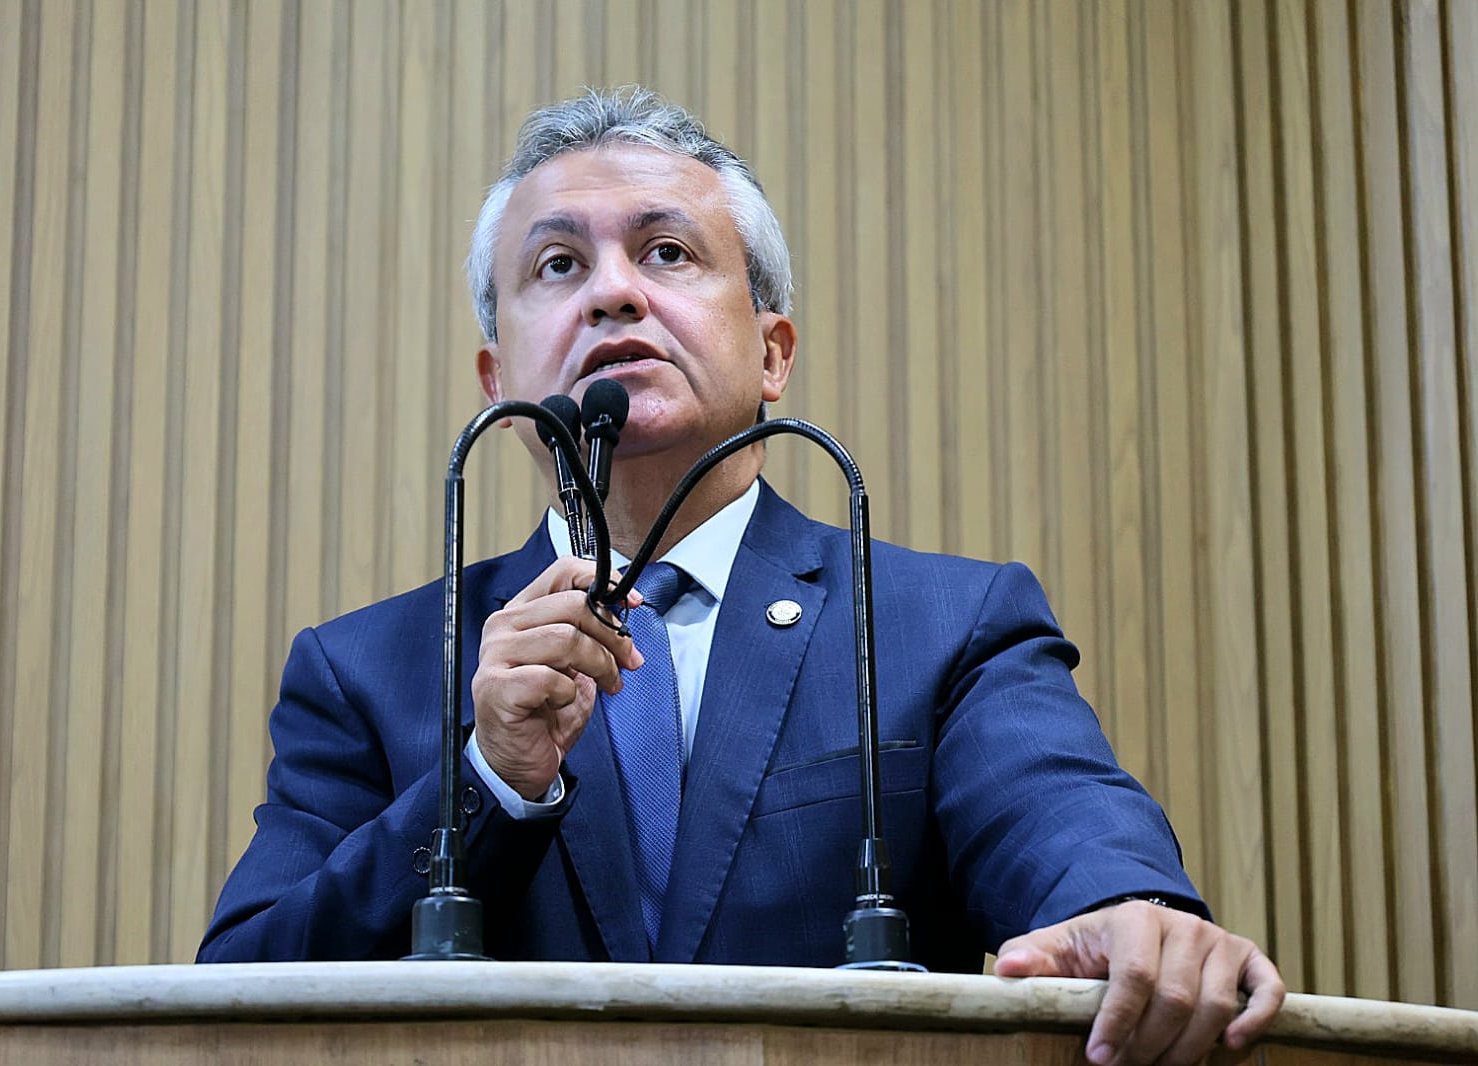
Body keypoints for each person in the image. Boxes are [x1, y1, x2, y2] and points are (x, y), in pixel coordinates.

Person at [199, 87, 1284, 1065]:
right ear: (499, 380)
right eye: (558, 265)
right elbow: (237, 1002)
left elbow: (1059, 819)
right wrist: (488, 778)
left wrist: (1130, 911)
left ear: (773, 352)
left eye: (667, 252)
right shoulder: (365, 669)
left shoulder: (943, 625)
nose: (613, 292)